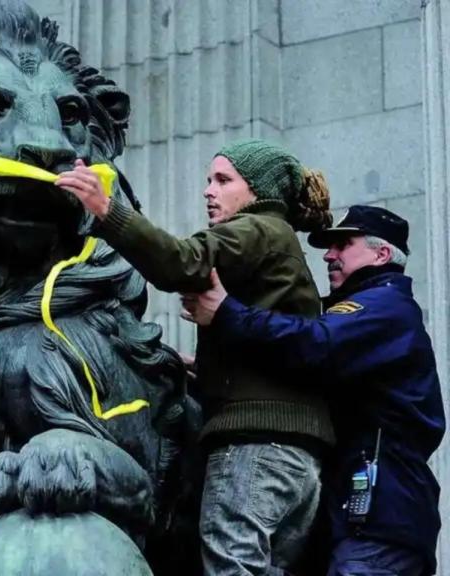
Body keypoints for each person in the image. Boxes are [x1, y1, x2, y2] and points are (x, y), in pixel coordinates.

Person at [56, 139, 335, 574]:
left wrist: (107, 210)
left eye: (223, 180)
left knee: (230, 565)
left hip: (255, 447)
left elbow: (182, 262)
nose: (208, 191)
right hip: (295, 455)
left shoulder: (257, 228)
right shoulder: (276, 240)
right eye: (209, 180)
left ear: (259, 191)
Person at [180, 205, 445, 576]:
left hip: (378, 525)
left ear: (382, 254)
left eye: (343, 245)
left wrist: (227, 312)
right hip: (363, 522)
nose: (328, 255)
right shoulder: (370, 311)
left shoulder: (385, 307)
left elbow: (314, 344)